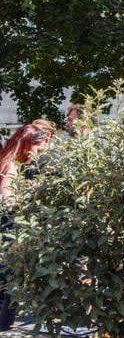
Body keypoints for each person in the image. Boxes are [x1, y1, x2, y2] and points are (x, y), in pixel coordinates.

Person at [0, 123, 52, 330]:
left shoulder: (9, 161)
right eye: (36, 149)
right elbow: (7, 201)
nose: (37, 155)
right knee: (8, 278)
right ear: (26, 145)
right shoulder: (12, 165)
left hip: (8, 228)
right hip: (8, 229)